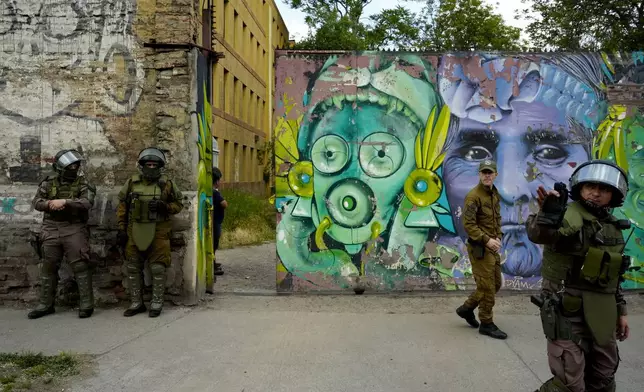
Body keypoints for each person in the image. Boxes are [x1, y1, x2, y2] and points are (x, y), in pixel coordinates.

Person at [526, 160, 631, 392]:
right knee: (569, 384)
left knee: (603, 376)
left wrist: (621, 312)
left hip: (602, 311)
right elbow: (541, 234)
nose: (595, 193)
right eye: (590, 187)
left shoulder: (613, 227)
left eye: (603, 189)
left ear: (613, 195)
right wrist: (546, 216)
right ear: (579, 189)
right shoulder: (567, 215)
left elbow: (614, 277)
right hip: (566, 310)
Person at [28, 149, 96, 319]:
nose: (74, 168)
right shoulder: (48, 182)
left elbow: (87, 202)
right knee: (48, 266)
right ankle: (45, 304)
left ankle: (86, 304)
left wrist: (66, 202)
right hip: (51, 227)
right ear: (59, 168)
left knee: (80, 265)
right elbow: (36, 202)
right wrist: (50, 204)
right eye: (70, 166)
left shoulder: (83, 183)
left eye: (76, 165)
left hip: (74, 227)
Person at [116, 147, 184, 317]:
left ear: (160, 166)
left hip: (159, 230)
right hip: (134, 229)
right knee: (133, 267)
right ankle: (136, 302)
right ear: (142, 165)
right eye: (148, 164)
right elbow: (122, 207)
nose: (151, 167)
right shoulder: (132, 183)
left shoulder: (167, 183)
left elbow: (179, 204)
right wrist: (121, 229)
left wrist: (165, 207)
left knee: (158, 268)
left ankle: (156, 302)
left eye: (155, 164)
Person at [455, 159, 507, 340]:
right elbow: (468, 224)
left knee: (495, 284)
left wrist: (498, 235)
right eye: (484, 172)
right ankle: (486, 323)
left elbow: (496, 217)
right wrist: (487, 240)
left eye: (490, 172)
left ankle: (467, 308)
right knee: (488, 287)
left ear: (495, 175)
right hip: (480, 248)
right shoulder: (473, 196)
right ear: (479, 174)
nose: (487, 175)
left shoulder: (494, 193)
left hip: (492, 246)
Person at [212, 167, 228, 276]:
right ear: (216, 181)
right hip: (215, 222)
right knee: (214, 244)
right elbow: (224, 204)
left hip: (214, 221)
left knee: (213, 244)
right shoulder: (215, 193)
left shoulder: (211, 192)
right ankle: (212, 265)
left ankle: (213, 263)